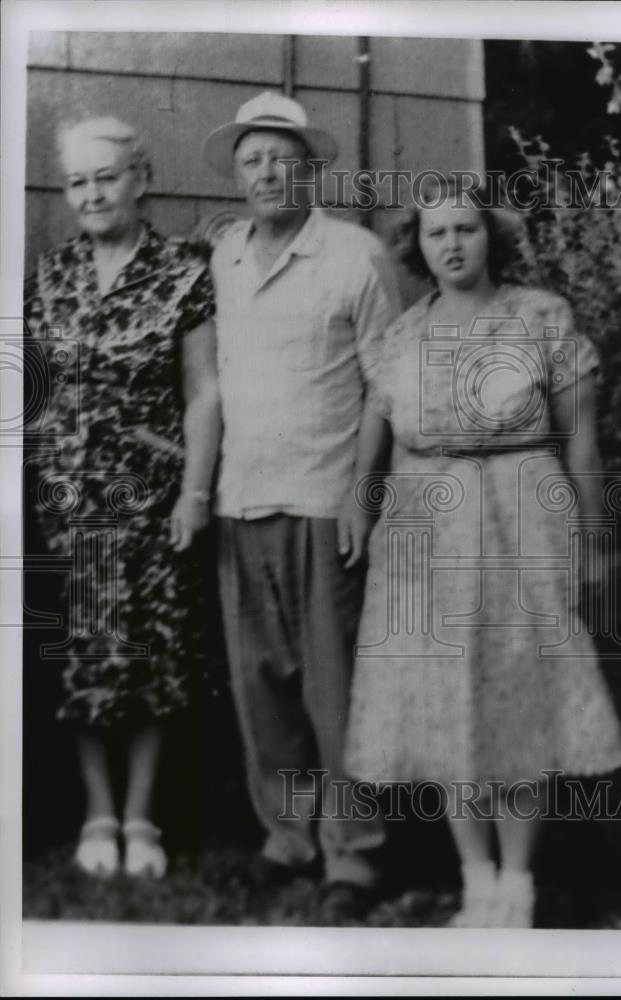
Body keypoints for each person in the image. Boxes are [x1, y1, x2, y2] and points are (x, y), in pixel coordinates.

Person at [344, 179, 621, 927]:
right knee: (443, 701)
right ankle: (474, 878)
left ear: (488, 237)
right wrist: (358, 507)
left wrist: (594, 540)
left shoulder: (540, 317)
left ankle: (519, 881)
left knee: (518, 693)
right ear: (418, 245)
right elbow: (374, 444)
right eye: (436, 233)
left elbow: (585, 442)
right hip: (422, 521)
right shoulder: (399, 337)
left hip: (521, 510)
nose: (452, 244)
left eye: (466, 229)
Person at [201, 92, 400, 919]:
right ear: (238, 177)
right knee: (263, 688)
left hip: (325, 500)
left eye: (285, 158)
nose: (270, 173)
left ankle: (354, 854)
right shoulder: (223, 258)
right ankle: (289, 839)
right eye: (254, 160)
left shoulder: (355, 256)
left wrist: (362, 496)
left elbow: (387, 387)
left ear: (310, 169)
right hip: (241, 498)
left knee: (335, 686)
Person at [24, 117, 221, 879]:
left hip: (151, 497)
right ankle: (95, 811)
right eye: (77, 181)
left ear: (140, 178)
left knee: (150, 654)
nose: (92, 194)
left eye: (106, 177)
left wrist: (195, 492)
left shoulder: (183, 273)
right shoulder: (48, 277)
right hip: (65, 500)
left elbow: (205, 393)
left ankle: (141, 815)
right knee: (79, 657)